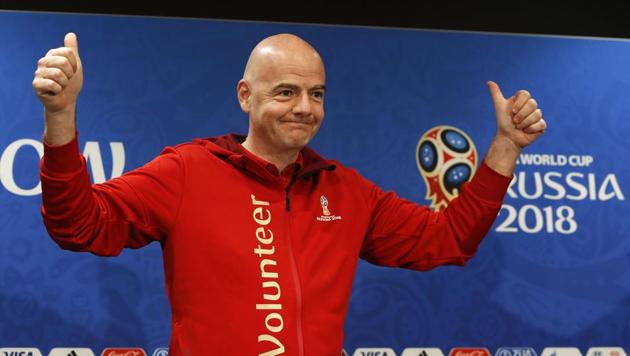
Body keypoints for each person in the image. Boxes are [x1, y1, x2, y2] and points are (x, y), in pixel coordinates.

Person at [33, 32, 546, 355]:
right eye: (286, 92)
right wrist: (60, 116)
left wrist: (505, 146)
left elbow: (448, 240)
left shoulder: (346, 191)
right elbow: (78, 225)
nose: (304, 107)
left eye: (316, 94)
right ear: (245, 96)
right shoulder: (187, 170)